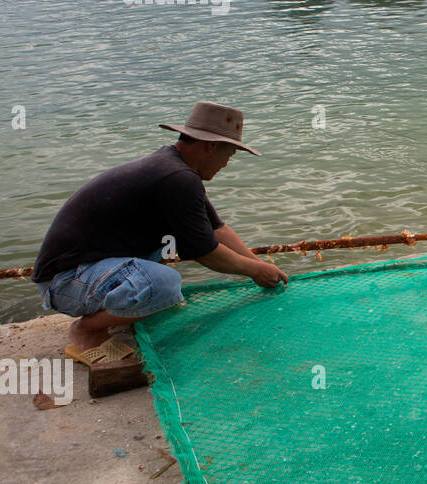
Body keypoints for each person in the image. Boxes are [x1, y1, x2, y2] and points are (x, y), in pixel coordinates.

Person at [33, 102, 288, 369]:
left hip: (89, 266)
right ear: (210, 146)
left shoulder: (176, 169)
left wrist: (261, 265)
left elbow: (216, 230)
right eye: (229, 155)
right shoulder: (178, 177)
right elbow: (206, 252)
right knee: (165, 286)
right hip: (65, 280)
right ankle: (87, 331)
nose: (226, 164)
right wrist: (255, 272)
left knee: (170, 250)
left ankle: (119, 309)